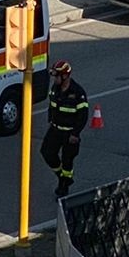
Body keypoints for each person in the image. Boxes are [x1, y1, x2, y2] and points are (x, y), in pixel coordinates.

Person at [42, 60, 91, 199]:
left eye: (57, 76)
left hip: (70, 133)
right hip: (55, 129)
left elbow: (83, 116)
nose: (55, 79)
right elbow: (52, 106)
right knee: (46, 153)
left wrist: (75, 134)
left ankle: (64, 185)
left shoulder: (77, 93)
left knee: (67, 160)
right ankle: (63, 177)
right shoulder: (55, 89)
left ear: (65, 76)